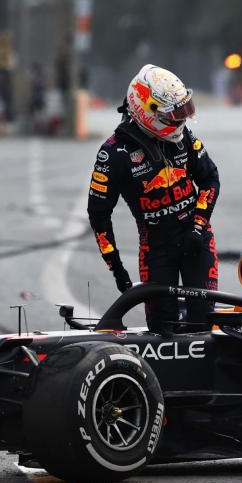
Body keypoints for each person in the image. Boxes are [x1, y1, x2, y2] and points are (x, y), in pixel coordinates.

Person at [87, 64, 220, 333]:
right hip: (156, 247)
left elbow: (210, 179)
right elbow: (98, 214)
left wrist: (197, 227)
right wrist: (117, 268)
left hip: (197, 238)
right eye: (173, 114)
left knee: (204, 322)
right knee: (161, 327)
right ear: (146, 110)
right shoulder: (113, 155)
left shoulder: (185, 138)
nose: (180, 121)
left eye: (183, 111)